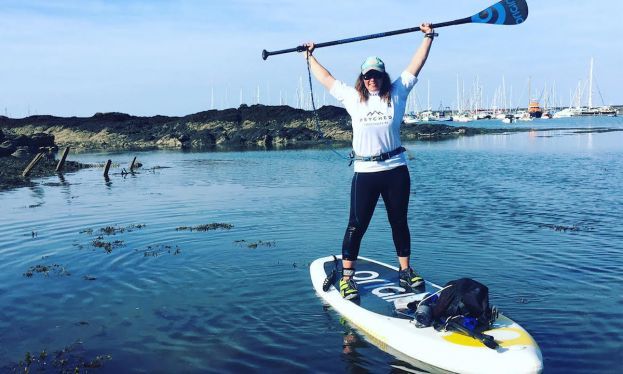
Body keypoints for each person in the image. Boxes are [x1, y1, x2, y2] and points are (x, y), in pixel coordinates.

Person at [303, 23, 436, 300]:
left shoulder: (397, 92)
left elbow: (416, 64)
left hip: (396, 170)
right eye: (367, 76)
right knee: (356, 224)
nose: (371, 79)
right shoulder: (353, 98)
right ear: (362, 79)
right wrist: (310, 56)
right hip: (366, 171)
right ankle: (348, 278)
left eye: (376, 75)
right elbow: (327, 79)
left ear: (383, 76)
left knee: (398, 221)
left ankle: (406, 271)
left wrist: (428, 37)